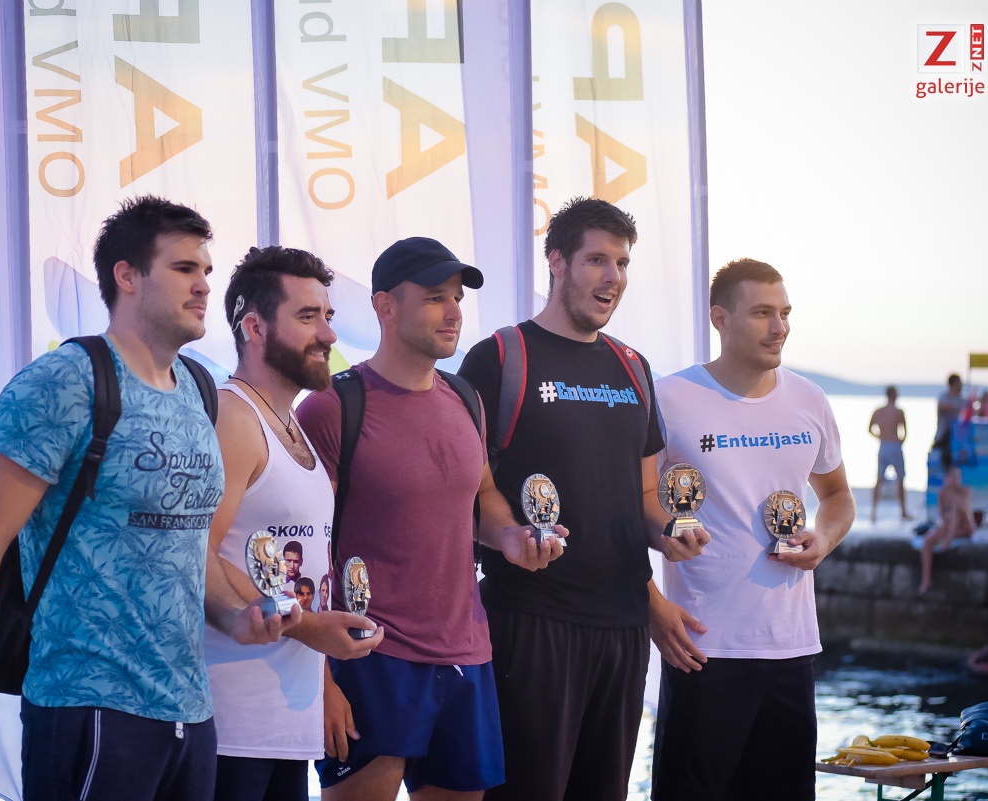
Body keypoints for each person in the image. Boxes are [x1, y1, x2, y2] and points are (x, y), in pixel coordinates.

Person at [0, 196, 297, 799]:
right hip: (88, 706)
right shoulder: (64, 381)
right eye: (183, 269)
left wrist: (235, 616)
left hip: (190, 714)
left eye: (206, 269)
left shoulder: (199, 388)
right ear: (127, 276)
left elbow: (185, 546)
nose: (204, 285)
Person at [297, 237, 565, 801]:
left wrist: (511, 537)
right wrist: (319, 679)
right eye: (435, 297)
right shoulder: (331, 407)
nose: (453, 312)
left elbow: (481, 495)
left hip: (467, 651)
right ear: (385, 306)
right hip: (371, 653)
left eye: (457, 299)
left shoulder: (466, 398)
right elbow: (304, 548)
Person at [458, 197, 708, 801]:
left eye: (621, 263)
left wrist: (670, 531)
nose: (612, 277)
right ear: (557, 262)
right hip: (530, 623)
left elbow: (643, 492)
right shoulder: (500, 358)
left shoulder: (632, 367)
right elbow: (470, 490)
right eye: (597, 259)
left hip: (623, 627)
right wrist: (510, 537)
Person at [650, 258, 856, 801]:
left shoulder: (808, 399)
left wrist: (823, 539)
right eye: (763, 313)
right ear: (720, 318)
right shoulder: (669, 398)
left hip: (791, 648)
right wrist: (649, 601)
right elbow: (627, 505)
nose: (779, 327)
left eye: (785, 313)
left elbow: (837, 497)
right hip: (703, 647)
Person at [203, 245, 382, 801]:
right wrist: (308, 629)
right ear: (255, 328)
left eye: (327, 315)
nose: (328, 334)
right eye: (308, 317)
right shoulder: (233, 418)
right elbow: (194, 554)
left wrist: (322, 676)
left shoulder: (290, 423)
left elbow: (299, 571)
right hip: (229, 723)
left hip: (284, 726)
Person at [919, 466, 975, 595]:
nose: (956, 480)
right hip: (950, 526)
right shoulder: (942, 493)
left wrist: (949, 537)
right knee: (927, 540)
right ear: (946, 478)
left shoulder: (964, 492)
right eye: (953, 477)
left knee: (955, 510)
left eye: (958, 477)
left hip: (964, 528)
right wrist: (943, 530)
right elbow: (943, 517)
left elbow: (962, 514)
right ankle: (926, 580)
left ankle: (948, 540)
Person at [868, 386, 911, 521]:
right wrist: (900, 441)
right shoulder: (898, 412)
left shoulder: (879, 411)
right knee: (900, 479)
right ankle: (903, 511)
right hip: (894, 445)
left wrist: (880, 437)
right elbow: (904, 432)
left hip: (883, 445)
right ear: (894, 395)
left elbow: (870, 429)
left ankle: (873, 512)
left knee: (879, 479)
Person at [934, 374, 967, 467]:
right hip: (944, 435)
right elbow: (942, 407)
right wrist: (956, 409)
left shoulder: (961, 399)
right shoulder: (944, 397)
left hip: (956, 437)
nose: (961, 387)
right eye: (959, 384)